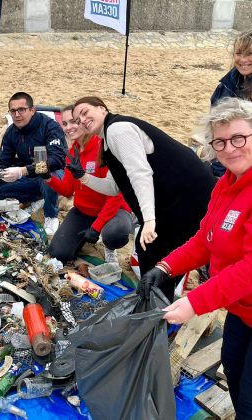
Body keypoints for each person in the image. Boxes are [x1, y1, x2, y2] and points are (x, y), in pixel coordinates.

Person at [137, 98, 252, 417]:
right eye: (220, 141)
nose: (230, 148)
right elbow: (206, 240)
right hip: (242, 309)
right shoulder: (226, 185)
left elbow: (249, 269)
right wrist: (164, 267)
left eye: (239, 138)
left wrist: (193, 303)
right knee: (234, 371)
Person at [70, 96, 215, 301]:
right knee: (152, 252)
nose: (81, 120)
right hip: (176, 200)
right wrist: (82, 177)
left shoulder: (117, 130)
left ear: (102, 109)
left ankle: (157, 308)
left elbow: (140, 173)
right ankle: (160, 301)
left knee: (151, 251)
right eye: (77, 119)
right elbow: (114, 187)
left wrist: (148, 220)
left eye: (85, 113)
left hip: (188, 197)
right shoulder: (107, 141)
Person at [47, 105, 133, 264]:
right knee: (59, 253)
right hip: (84, 210)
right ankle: (88, 235)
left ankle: (109, 246)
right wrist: (47, 178)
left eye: (73, 122)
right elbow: (67, 190)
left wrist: (97, 227)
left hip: (114, 210)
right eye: (64, 124)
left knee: (115, 233)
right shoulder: (72, 152)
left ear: (82, 122)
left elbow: (116, 194)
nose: (69, 128)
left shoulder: (103, 147)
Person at [0, 92, 67, 236]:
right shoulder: (11, 132)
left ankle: (51, 215)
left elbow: (57, 160)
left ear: (32, 110)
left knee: (46, 174)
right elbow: (4, 161)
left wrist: (23, 170)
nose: (17, 115)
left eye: (21, 109)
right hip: (27, 175)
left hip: (52, 172)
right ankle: (38, 197)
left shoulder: (49, 126)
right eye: (13, 111)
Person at [210, 30, 252, 177]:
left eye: (249, 53)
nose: (243, 59)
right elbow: (215, 125)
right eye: (238, 53)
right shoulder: (226, 84)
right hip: (223, 157)